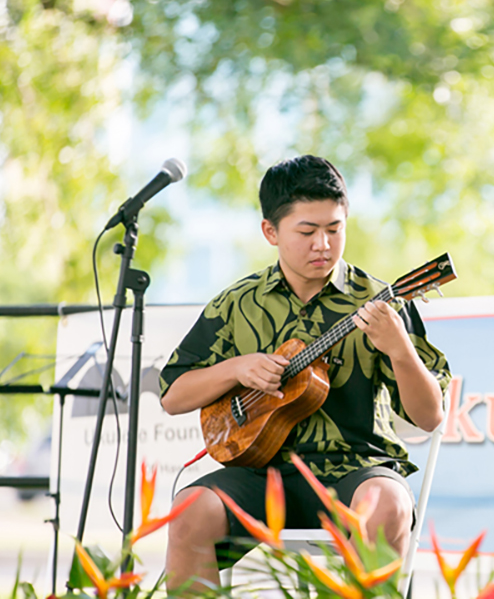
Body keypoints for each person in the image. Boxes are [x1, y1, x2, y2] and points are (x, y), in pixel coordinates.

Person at [159, 155, 451, 592]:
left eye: (335, 229)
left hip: (355, 471)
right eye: (307, 231)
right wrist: (237, 367)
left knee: (387, 503)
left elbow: (430, 417)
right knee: (189, 513)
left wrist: (400, 349)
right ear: (270, 232)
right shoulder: (237, 303)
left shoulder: (380, 302)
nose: (323, 244)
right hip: (259, 474)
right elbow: (173, 396)